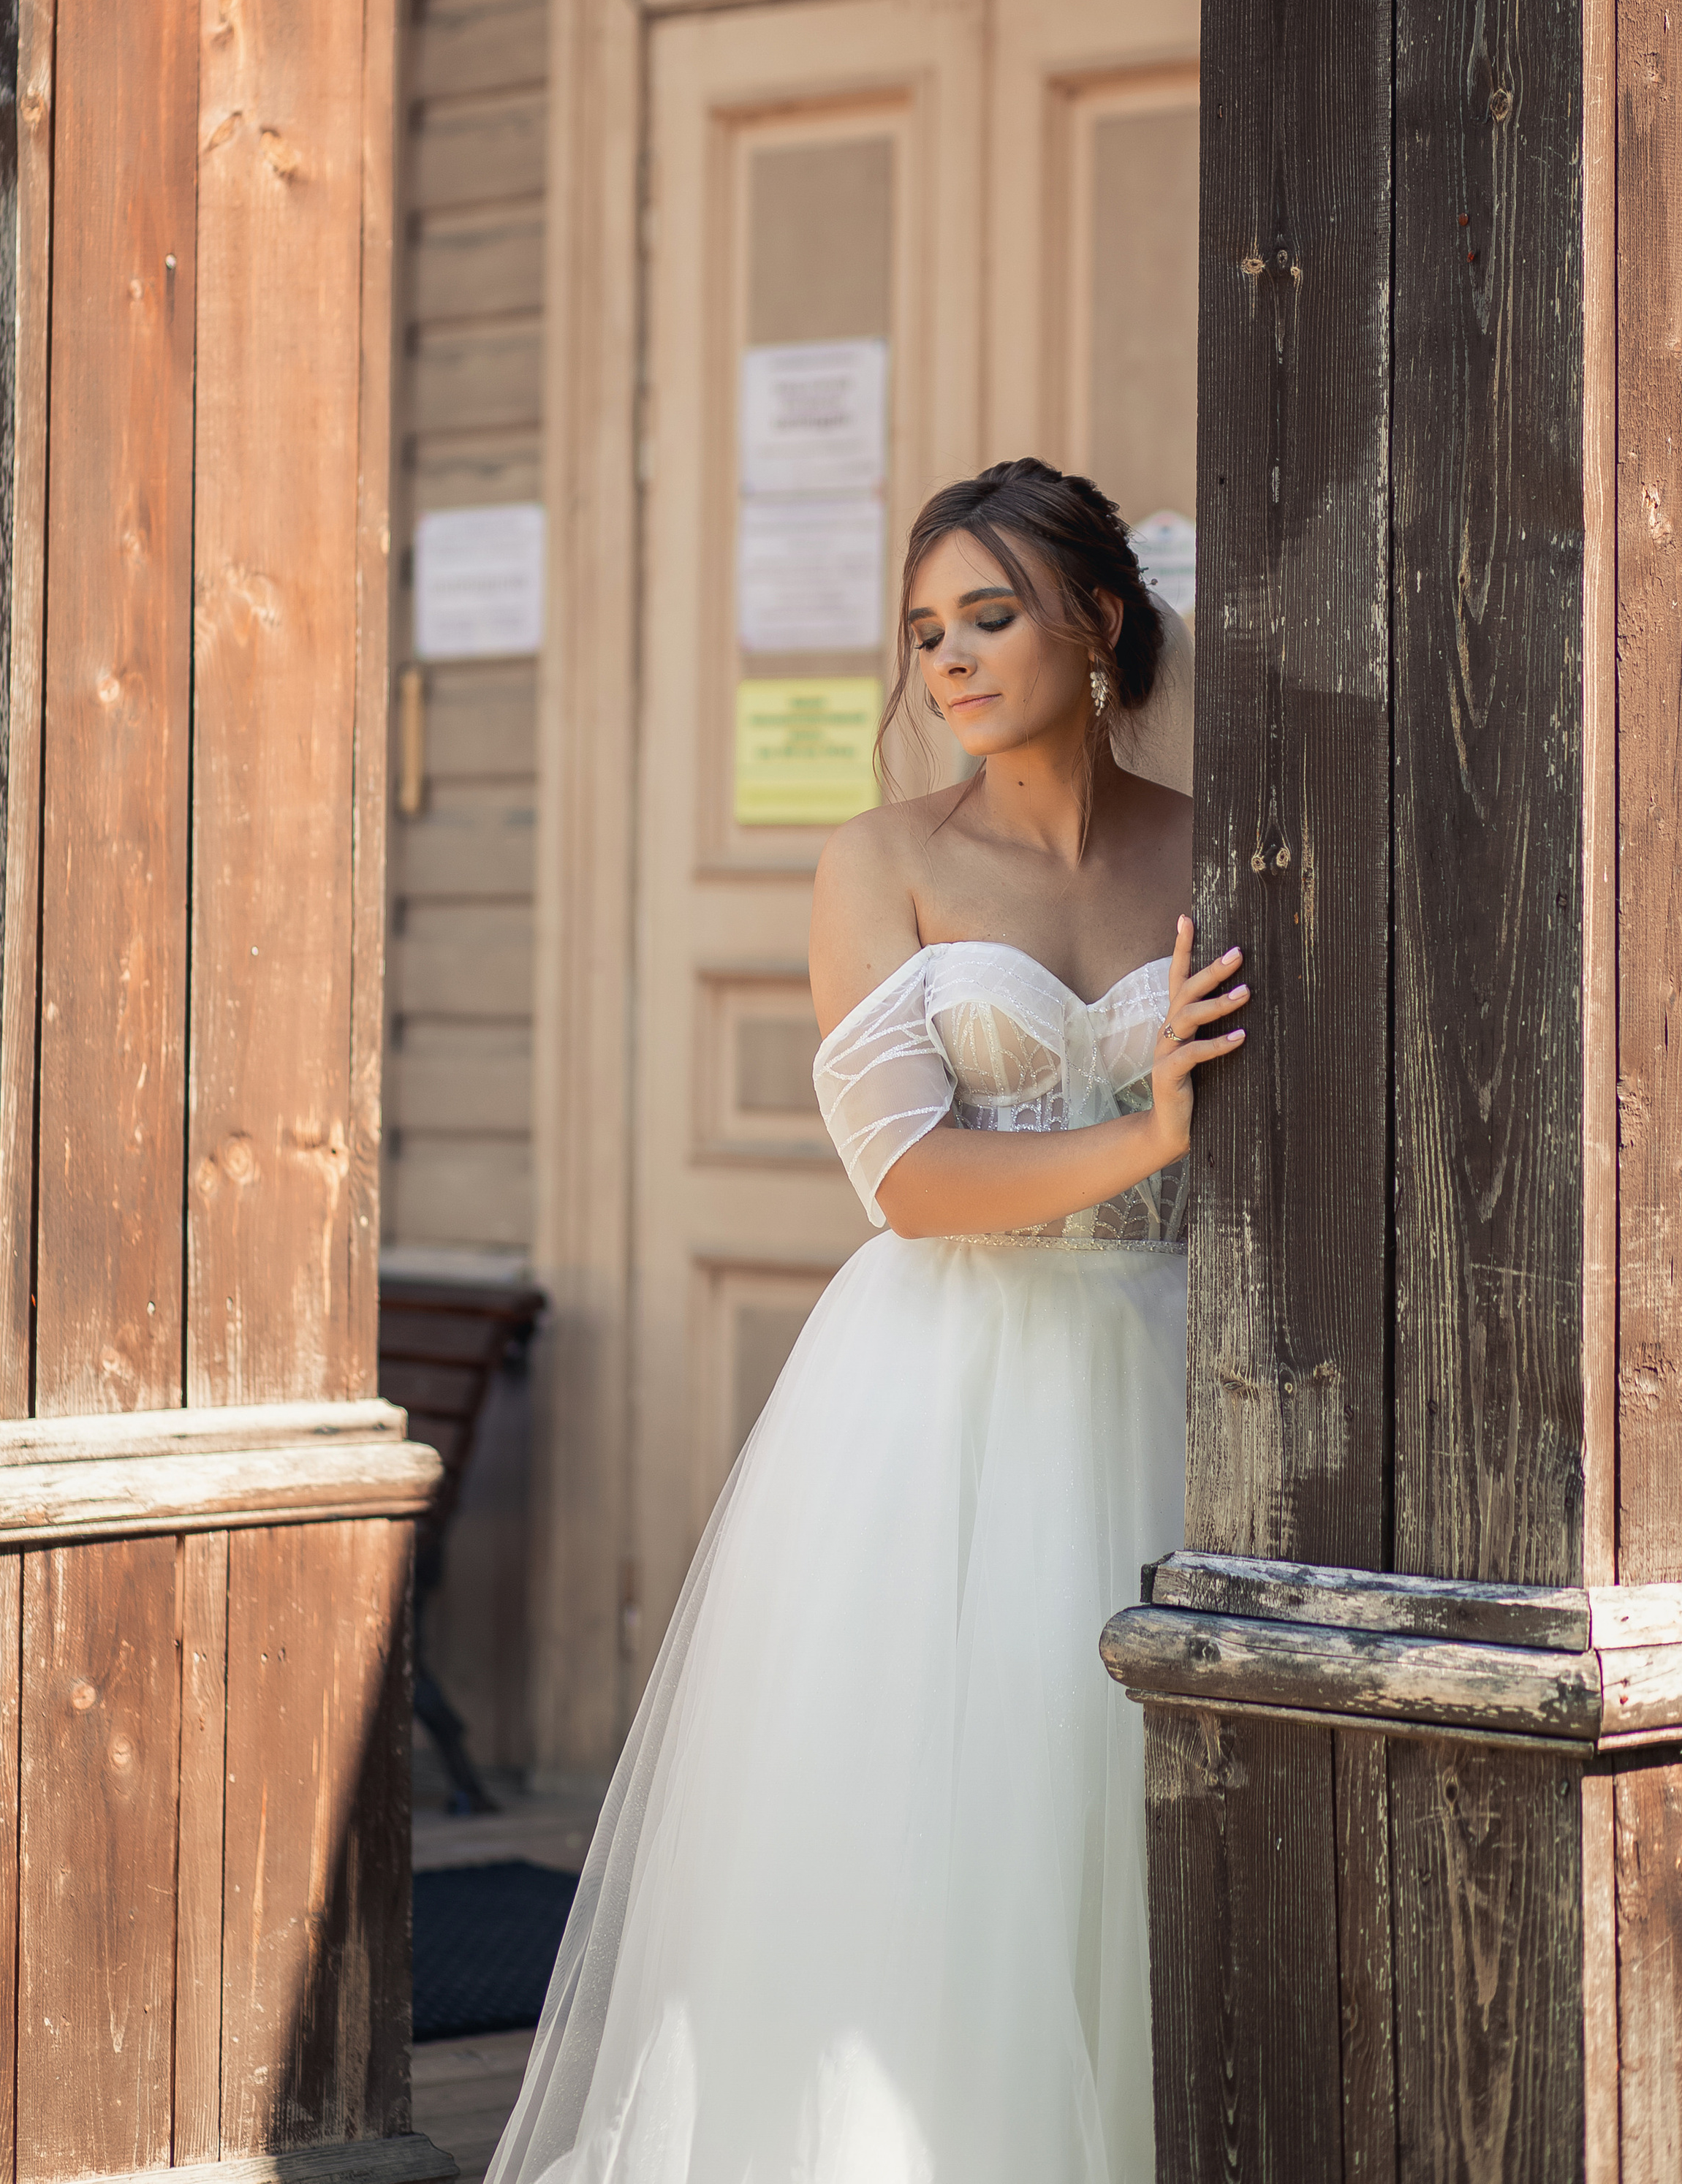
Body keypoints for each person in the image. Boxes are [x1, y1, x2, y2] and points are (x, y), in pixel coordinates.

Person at [487, 458, 1250, 2184]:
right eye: (924, 634)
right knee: (945, 1822)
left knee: (1132, 1822)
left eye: (988, 617)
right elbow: (904, 1181)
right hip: (944, 1387)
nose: (951, 664)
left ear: (1098, 624)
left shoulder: (1218, 838)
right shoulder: (880, 860)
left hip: (1170, 1360)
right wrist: (1147, 1130)